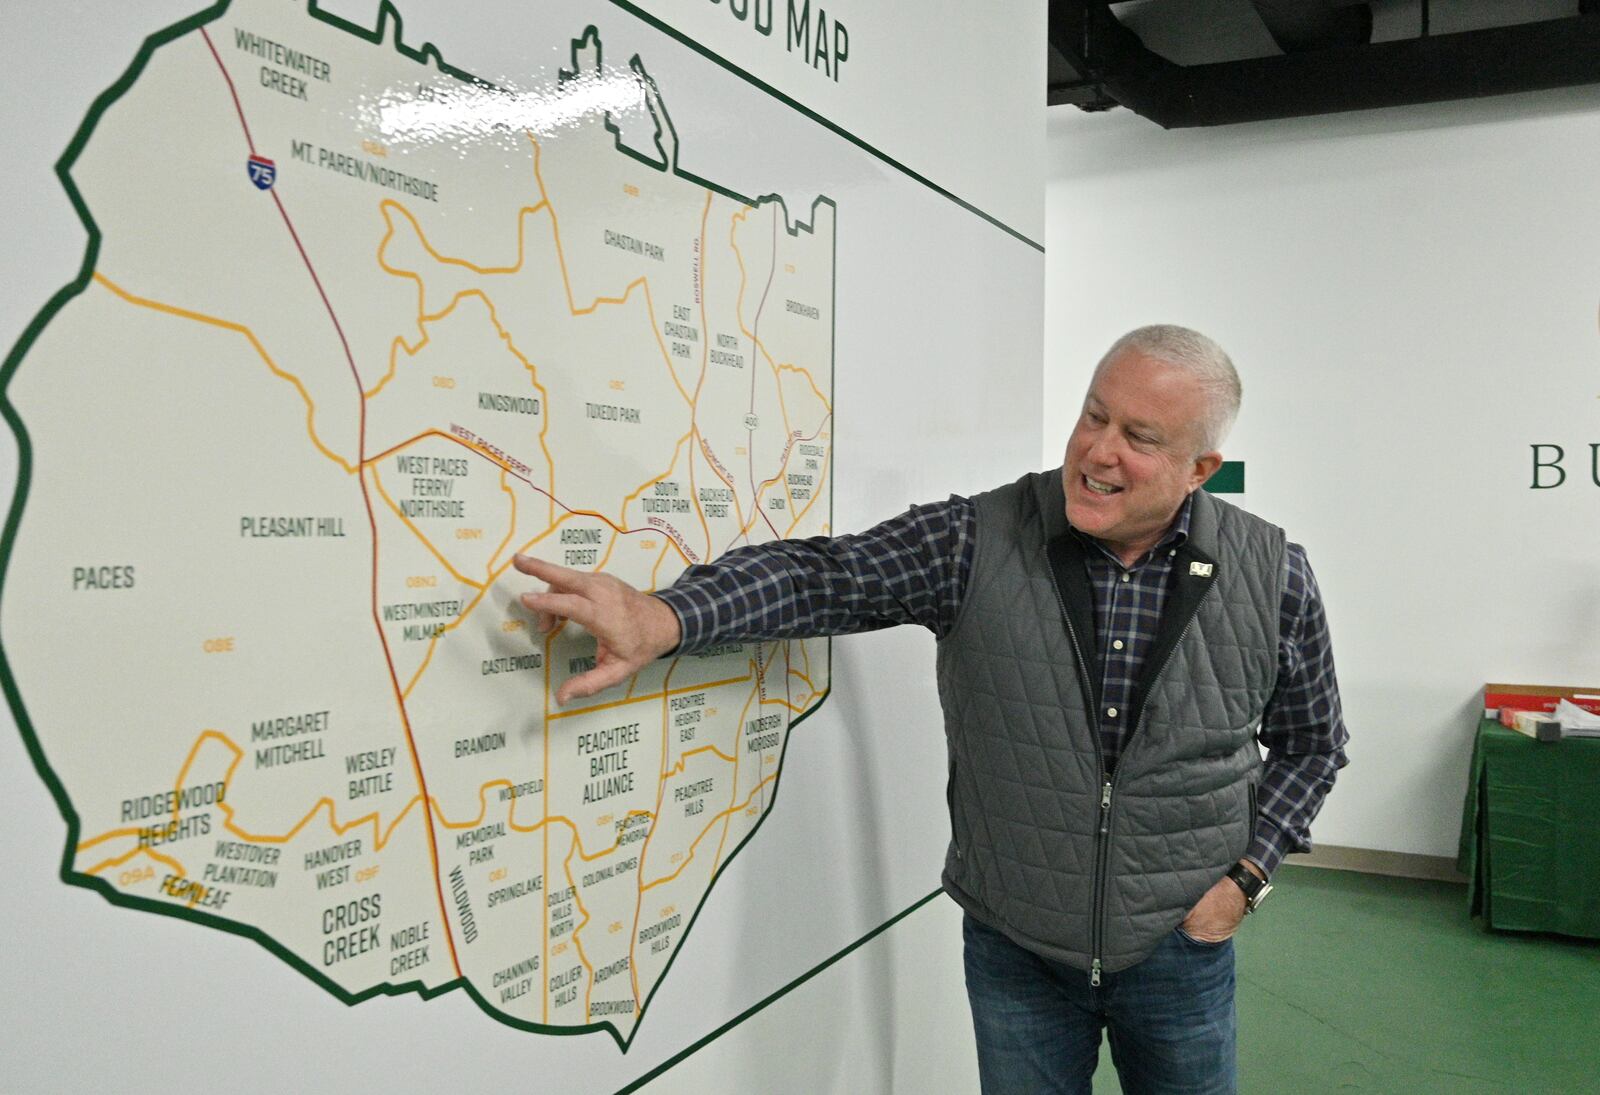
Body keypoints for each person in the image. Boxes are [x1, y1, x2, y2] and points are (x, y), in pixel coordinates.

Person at [513, 324, 1348, 1094]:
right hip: (1017, 950)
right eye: (1095, 415)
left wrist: (1243, 881)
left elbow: (1313, 745)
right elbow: (827, 576)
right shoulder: (978, 538)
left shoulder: (1271, 572)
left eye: (1140, 437)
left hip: (1178, 949)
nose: (1098, 450)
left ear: (1201, 467)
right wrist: (667, 616)